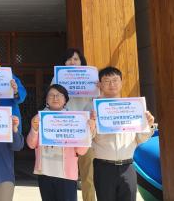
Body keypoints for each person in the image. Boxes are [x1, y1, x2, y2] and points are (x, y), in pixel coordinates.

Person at [92, 67, 155, 201]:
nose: (112, 84)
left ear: (121, 83)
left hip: (128, 167)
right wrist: (91, 123)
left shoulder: (132, 107)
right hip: (104, 168)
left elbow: (140, 139)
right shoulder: (93, 109)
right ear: (100, 84)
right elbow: (88, 138)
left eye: (115, 80)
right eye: (107, 81)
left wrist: (148, 125)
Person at [27, 84, 96, 201]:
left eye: (59, 95)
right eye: (51, 95)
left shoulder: (75, 120)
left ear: (65, 100)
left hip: (67, 175)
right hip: (45, 173)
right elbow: (31, 144)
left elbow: (81, 151)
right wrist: (34, 129)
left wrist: (88, 131)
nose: (55, 98)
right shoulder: (39, 118)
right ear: (46, 100)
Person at [55, 48, 97, 201]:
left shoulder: (92, 79)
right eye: (69, 59)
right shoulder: (57, 78)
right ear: (64, 62)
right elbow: (52, 101)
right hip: (65, 130)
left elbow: (97, 103)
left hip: (86, 131)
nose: (72, 62)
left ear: (81, 62)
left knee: (88, 175)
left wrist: (98, 88)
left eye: (76, 59)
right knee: (65, 175)